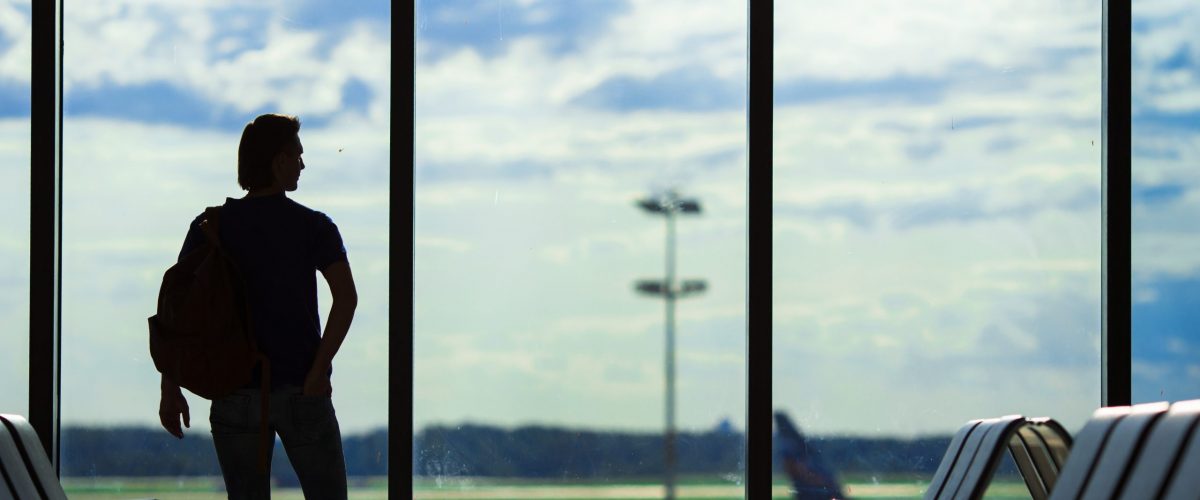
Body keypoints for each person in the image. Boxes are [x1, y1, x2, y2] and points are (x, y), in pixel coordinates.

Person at [158, 113, 358, 499]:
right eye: (297, 155)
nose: (302, 164)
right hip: (304, 389)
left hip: (234, 392)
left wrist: (171, 387)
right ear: (278, 160)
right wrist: (319, 370)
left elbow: (176, 312)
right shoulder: (314, 227)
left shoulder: (210, 226)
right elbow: (346, 298)